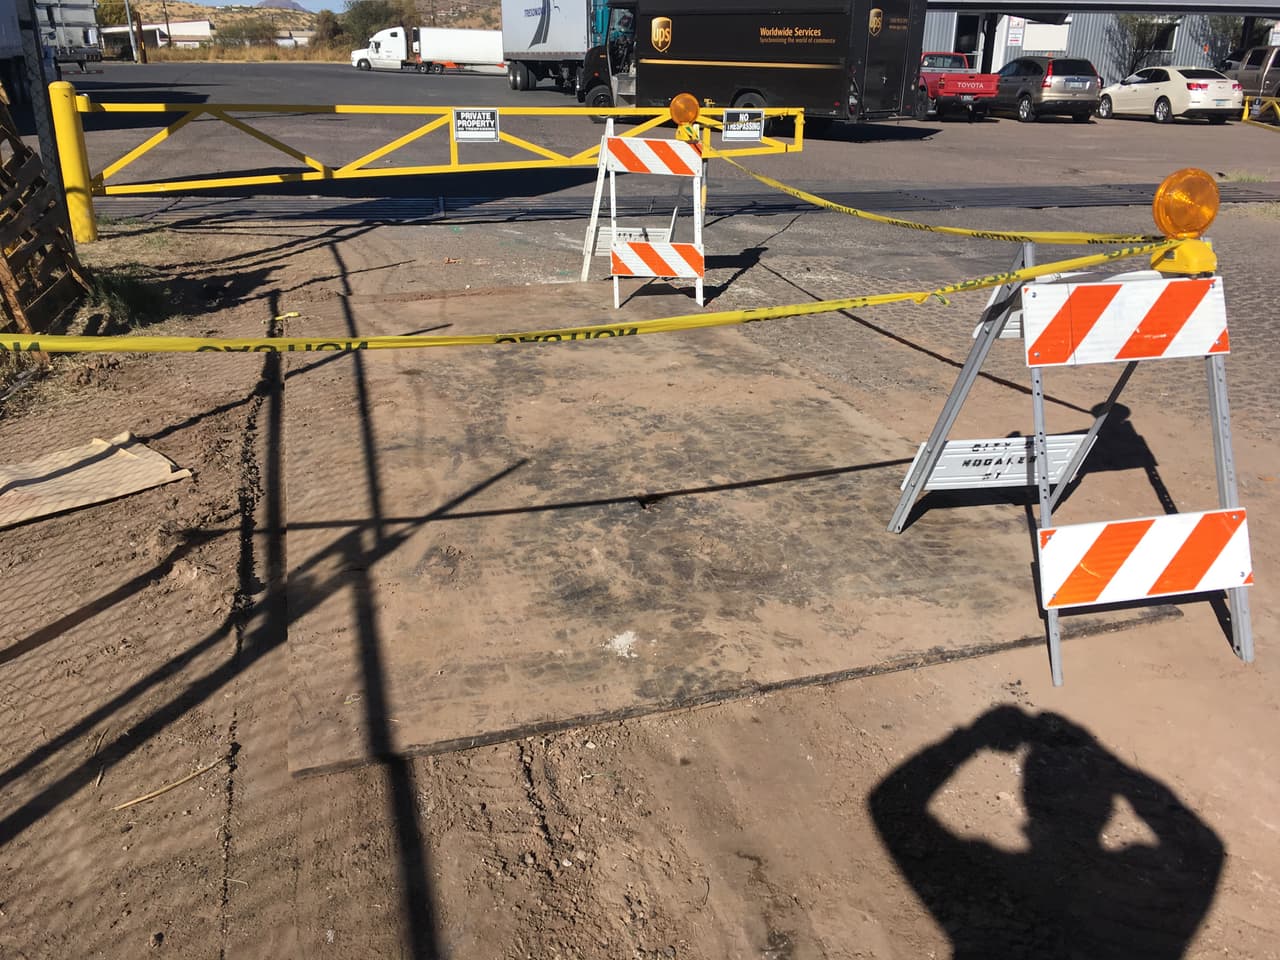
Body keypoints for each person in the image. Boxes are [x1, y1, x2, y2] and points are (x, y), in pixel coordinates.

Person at [870, 706, 1223, 958]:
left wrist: (974, 737)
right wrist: (1109, 765)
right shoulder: (1148, 887)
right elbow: (1205, 847)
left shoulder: (994, 880)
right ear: (1109, 809)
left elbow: (889, 805)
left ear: (1030, 804)